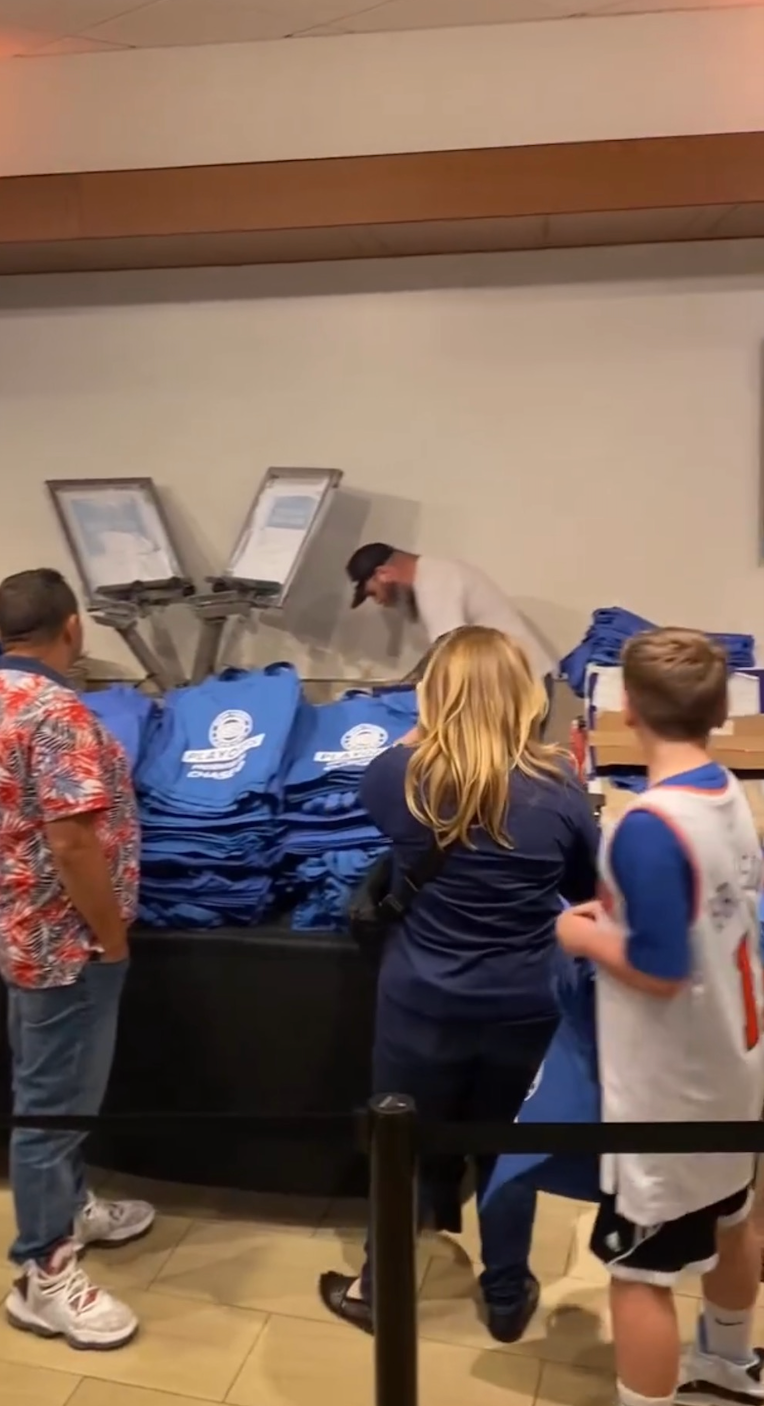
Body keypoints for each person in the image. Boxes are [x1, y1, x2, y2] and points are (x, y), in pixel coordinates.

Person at [319, 625, 598, 1343]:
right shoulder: (560, 790)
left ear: (432, 694)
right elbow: (582, 886)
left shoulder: (394, 778)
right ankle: (506, 1293)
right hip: (524, 1000)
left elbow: (403, 772)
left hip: (421, 998)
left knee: (401, 1144)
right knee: (505, 1150)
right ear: (525, 699)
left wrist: (433, 721)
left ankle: (380, 1288)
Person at [556, 628, 764, 1406]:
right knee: (733, 1219)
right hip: (734, 1062)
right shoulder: (727, 792)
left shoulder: (646, 823)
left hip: (671, 1087)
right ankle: (729, 1359)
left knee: (638, 1271)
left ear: (630, 706)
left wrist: (580, 933)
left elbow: (662, 967)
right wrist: (619, 919)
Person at [0, 568, 154, 1352]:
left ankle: (69, 1207)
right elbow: (71, 841)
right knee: (51, 1110)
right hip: (68, 945)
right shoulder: (58, 713)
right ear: (73, 627)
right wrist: (110, 935)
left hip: (19, 929)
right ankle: (44, 1273)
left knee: (52, 1096)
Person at [345, 542, 556, 717]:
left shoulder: (436, 585)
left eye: (373, 593)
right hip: (516, 684)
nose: (380, 601)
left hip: (520, 687)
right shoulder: (436, 573)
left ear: (384, 574)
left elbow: (450, 658)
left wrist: (389, 696)